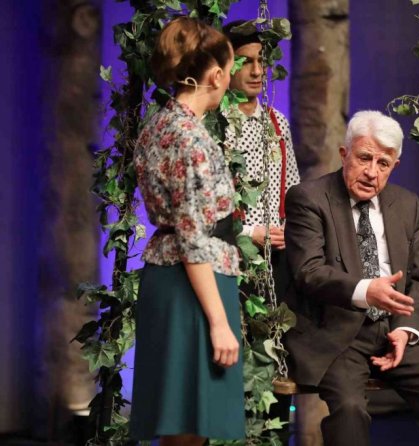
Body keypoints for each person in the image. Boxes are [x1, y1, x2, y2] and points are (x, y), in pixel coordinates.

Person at [283, 110, 419, 446]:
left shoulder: (407, 204)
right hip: (337, 334)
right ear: (344, 154)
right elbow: (307, 272)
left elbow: (416, 279)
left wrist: (406, 329)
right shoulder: (309, 198)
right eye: (364, 158)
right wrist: (365, 291)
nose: (372, 172)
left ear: (394, 166)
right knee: (350, 410)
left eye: (383, 163)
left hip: (393, 331)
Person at [130, 17, 244, 445]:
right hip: (193, 286)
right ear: (215, 75)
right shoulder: (190, 139)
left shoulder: (158, 124)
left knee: (183, 426)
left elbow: (186, 218)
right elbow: (192, 238)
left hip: (174, 280)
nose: (229, 78)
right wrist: (219, 322)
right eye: (229, 69)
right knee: (190, 428)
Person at [221, 20, 301, 444]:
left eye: (261, 61)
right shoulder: (218, 122)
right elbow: (210, 205)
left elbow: (292, 190)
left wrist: (287, 229)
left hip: (275, 262)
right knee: (234, 365)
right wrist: (249, 231)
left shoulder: (276, 122)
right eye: (245, 62)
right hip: (233, 259)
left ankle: (274, 437)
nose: (256, 71)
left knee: (274, 363)